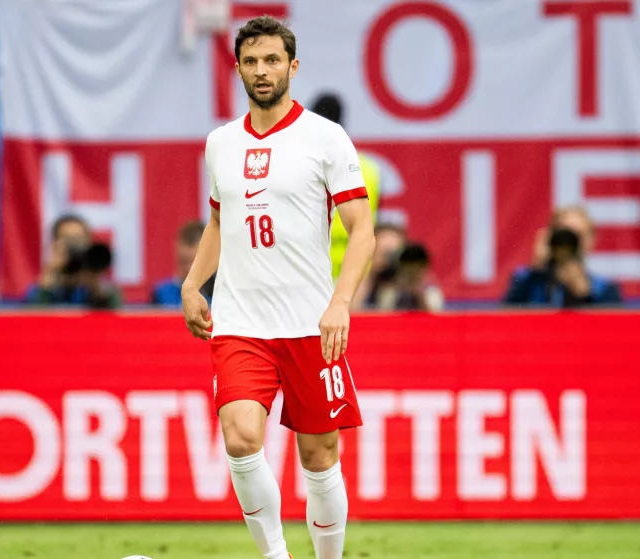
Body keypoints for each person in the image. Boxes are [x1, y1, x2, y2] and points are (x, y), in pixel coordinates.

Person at [181, 16, 375, 559]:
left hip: (313, 323)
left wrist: (340, 303)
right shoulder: (220, 143)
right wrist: (194, 283)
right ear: (238, 68)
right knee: (241, 437)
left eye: (272, 60)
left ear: (292, 66)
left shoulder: (325, 138)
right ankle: (275, 557)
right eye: (251, 61)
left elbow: (363, 232)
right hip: (241, 320)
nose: (261, 71)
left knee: (320, 456)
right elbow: (220, 223)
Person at [311, 93, 381, 282]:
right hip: (353, 274)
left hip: (310, 273)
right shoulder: (368, 168)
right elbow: (373, 227)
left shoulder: (300, 165)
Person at [504, 226, 620, 308]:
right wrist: (535, 272)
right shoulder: (527, 281)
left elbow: (613, 329)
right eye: (561, 237)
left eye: (575, 236)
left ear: (591, 240)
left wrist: (587, 295)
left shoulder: (605, 288)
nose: (566, 246)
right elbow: (508, 316)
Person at [24, 214, 121, 308]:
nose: (74, 245)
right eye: (67, 239)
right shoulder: (46, 288)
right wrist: (48, 278)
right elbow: (31, 317)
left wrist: (95, 285)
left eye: (79, 239)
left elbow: (114, 316)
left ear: (88, 242)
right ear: (55, 243)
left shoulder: (103, 289)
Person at [152, 220, 214, 306]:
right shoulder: (161, 293)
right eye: (185, 262)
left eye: (192, 262)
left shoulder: (215, 293)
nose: (188, 251)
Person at [374, 242, 444, 312]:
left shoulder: (431, 292)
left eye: (416, 271)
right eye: (409, 272)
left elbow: (435, 316)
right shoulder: (390, 291)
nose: (412, 277)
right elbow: (383, 314)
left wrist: (419, 295)